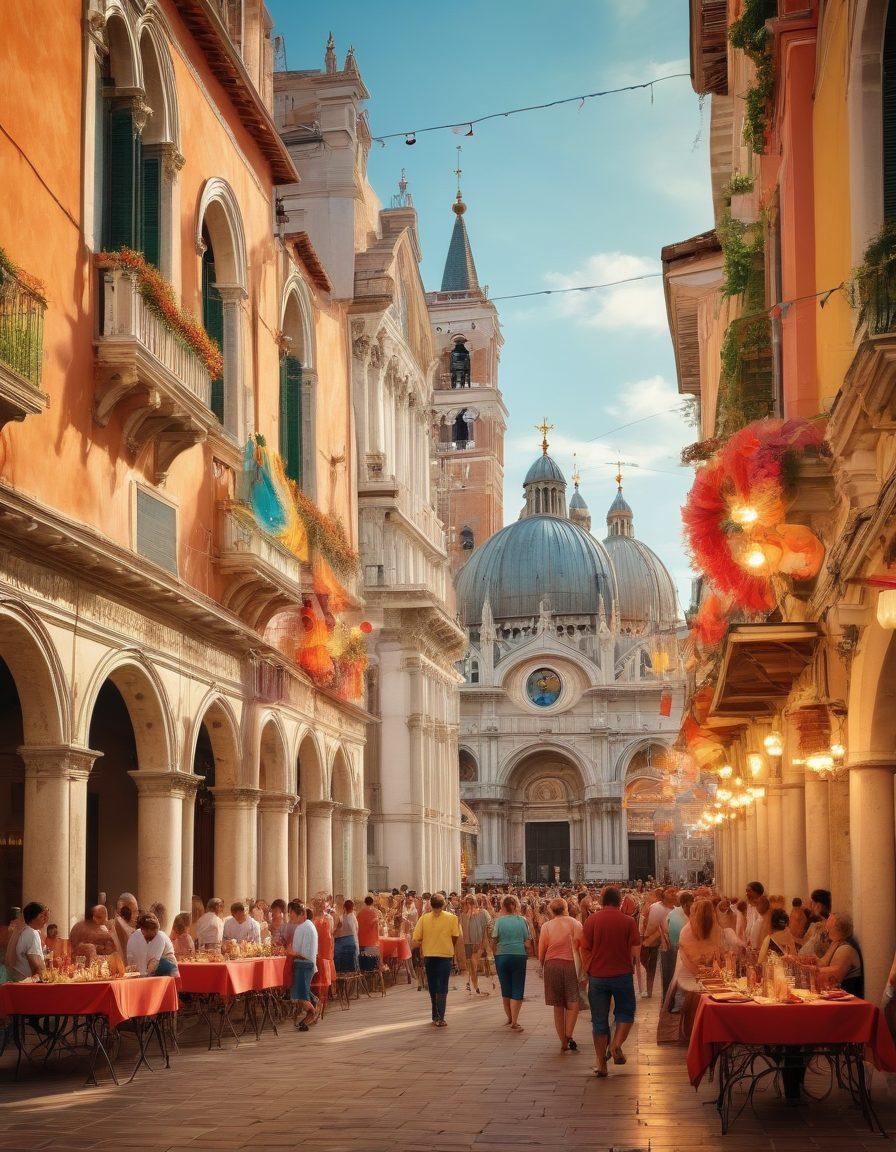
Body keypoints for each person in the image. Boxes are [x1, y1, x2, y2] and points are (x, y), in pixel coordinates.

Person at [580, 886, 640, 1077]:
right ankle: (615, 1045)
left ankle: (601, 1064)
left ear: (603, 899)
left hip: (597, 976)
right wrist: (629, 964)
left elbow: (584, 948)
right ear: (620, 901)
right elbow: (635, 951)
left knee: (599, 1021)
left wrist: (588, 968)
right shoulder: (629, 921)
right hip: (622, 974)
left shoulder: (591, 920)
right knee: (626, 1012)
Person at [537, 896, 583, 1053]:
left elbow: (542, 949)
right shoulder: (575, 923)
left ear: (551, 911)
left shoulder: (546, 926)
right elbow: (581, 946)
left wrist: (541, 965)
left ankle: (563, 1041)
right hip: (570, 964)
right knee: (573, 1001)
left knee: (558, 1005)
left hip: (552, 965)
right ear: (566, 909)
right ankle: (569, 1034)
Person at [412, 892, 460, 1027]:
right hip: (445, 955)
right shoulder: (452, 918)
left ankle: (435, 1015)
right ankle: (441, 1016)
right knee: (443, 985)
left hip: (430, 955)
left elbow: (416, 938)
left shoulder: (424, 919)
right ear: (444, 904)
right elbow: (455, 936)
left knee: (433, 985)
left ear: (431, 905)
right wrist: (449, 946)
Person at [491, 895, 532, 1032]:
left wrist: (495, 953)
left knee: (505, 987)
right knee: (518, 987)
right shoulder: (522, 921)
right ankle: (515, 1021)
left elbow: (494, 940)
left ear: (502, 906)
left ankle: (509, 1018)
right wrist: (526, 951)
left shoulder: (499, 921)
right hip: (518, 955)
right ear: (516, 906)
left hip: (502, 956)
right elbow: (527, 941)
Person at [797, 912, 863, 995]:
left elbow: (834, 977)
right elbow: (823, 963)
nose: (825, 932)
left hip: (847, 1001)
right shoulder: (835, 943)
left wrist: (809, 969)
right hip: (837, 997)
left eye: (828, 928)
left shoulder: (845, 949)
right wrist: (806, 961)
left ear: (836, 929)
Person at [287, 901, 319, 1031]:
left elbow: (299, 952)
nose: (290, 917)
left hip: (303, 964)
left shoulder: (302, 927)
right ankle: (315, 1002)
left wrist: (290, 952)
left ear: (299, 914)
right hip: (308, 963)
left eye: (291, 914)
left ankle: (312, 1013)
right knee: (302, 991)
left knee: (300, 995)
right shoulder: (308, 925)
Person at [640, 886, 672, 999]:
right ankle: (650, 990)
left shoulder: (669, 909)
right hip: (652, 941)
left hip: (661, 942)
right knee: (649, 965)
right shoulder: (654, 907)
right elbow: (645, 921)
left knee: (660, 968)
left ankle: (658, 992)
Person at [460, 894, 492, 996]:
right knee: (471, 966)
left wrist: (483, 943)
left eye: (471, 902)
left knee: (474, 964)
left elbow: (488, 927)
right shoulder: (463, 915)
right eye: (467, 902)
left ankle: (477, 987)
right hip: (467, 943)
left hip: (479, 943)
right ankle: (475, 987)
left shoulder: (483, 913)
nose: (469, 904)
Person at [11, 902, 48, 981]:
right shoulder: (32, 933)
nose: (45, 919)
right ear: (32, 919)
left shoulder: (26, 931)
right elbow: (38, 967)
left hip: (20, 980)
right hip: (26, 983)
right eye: (41, 916)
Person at [799, 889, 833, 958]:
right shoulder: (816, 924)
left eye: (813, 903)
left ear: (819, 905)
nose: (812, 907)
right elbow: (804, 942)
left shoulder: (829, 925)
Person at [357, 895, 382, 975]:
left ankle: (365, 984)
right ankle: (373, 985)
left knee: (363, 967)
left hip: (361, 942)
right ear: (372, 903)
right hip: (372, 943)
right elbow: (376, 928)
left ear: (365, 903)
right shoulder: (375, 913)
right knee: (373, 968)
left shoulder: (360, 913)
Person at [333, 899, 360, 973]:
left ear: (344, 907)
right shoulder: (353, 918)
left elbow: (336, 932)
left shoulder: (341, 918)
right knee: (352, 967)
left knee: (343, 967)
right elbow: (356, 931)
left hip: (343, 944)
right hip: (352, 942)